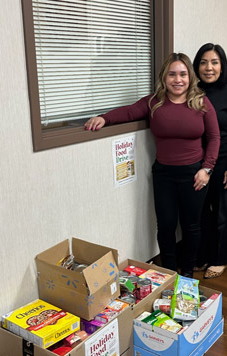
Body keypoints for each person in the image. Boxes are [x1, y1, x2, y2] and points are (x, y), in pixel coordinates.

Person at [85, 53, 220, 277]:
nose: (178, 80)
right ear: (164, 77)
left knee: (191, 226)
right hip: (164, 174)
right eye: (172, 74)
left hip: (194, 175)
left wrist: (207, 169)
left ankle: (187, 273)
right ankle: (168, 274)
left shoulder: (202, 102)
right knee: (166, 226)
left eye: (183, 74)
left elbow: (215, 138)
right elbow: (128, 111)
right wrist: (104, 117)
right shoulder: (153, 102)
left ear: (190, 77)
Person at [191, 43, 227, 279]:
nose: (208, 67)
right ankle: (202, 255)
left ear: (222, 66)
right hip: (197, 162)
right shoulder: (192, 92)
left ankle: (221, 258)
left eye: (214, 62)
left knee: (222, 212)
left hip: (223, 163)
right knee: (200, 212)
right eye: (203, 62)